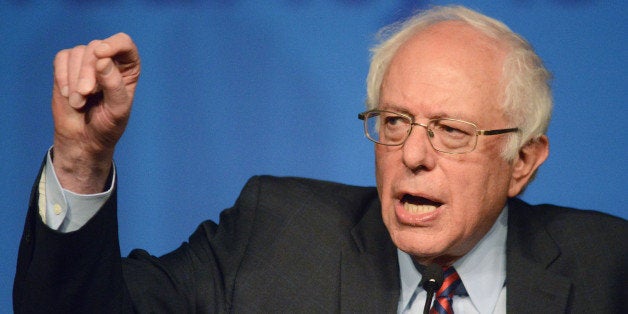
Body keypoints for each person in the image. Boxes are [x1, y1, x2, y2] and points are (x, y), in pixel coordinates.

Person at [14, 5, 626, 313]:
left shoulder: (609, 271)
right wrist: (81, 158)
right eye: (394, 122)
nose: (412, 154)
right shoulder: (275, 233)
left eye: (452, 130)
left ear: (522, 161)